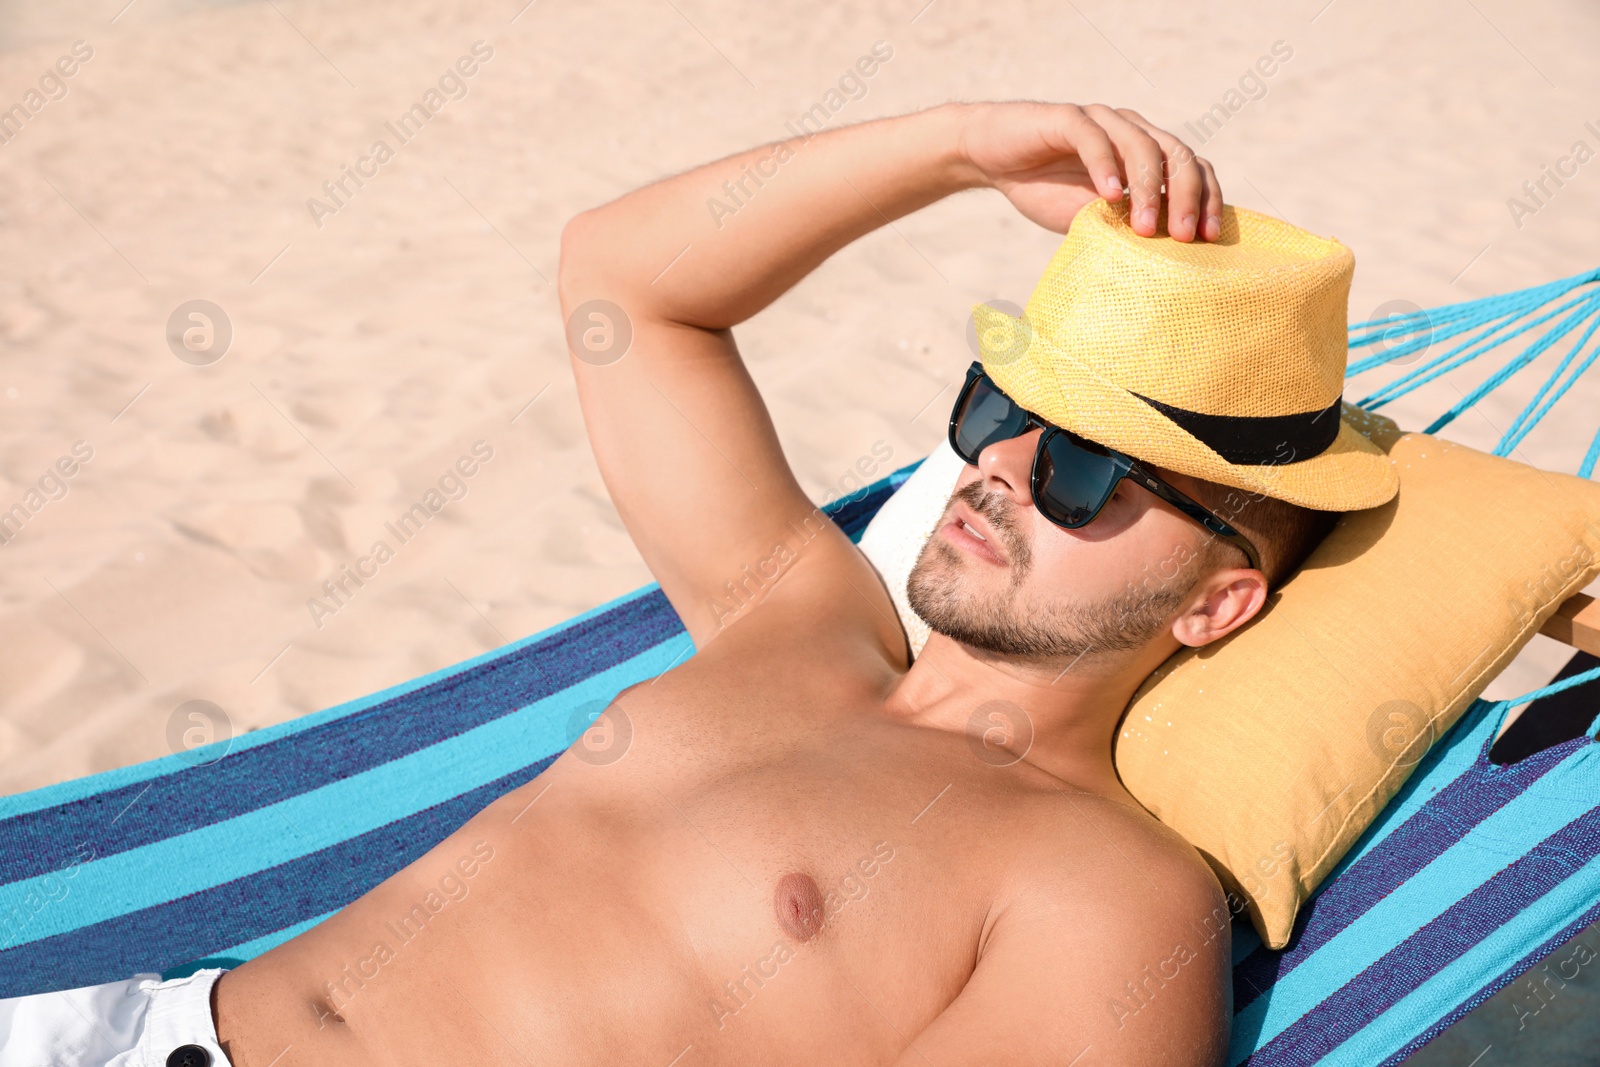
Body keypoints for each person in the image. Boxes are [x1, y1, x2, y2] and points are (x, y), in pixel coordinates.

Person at [2, 100, 1398, 1067]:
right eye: (998, 411)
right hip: (118, 1025)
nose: (1002, 469)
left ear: (1220, 598)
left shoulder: (1104, 893)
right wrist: (961, 149)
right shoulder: (802, 622)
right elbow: (622, 283)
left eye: (1092, 472)